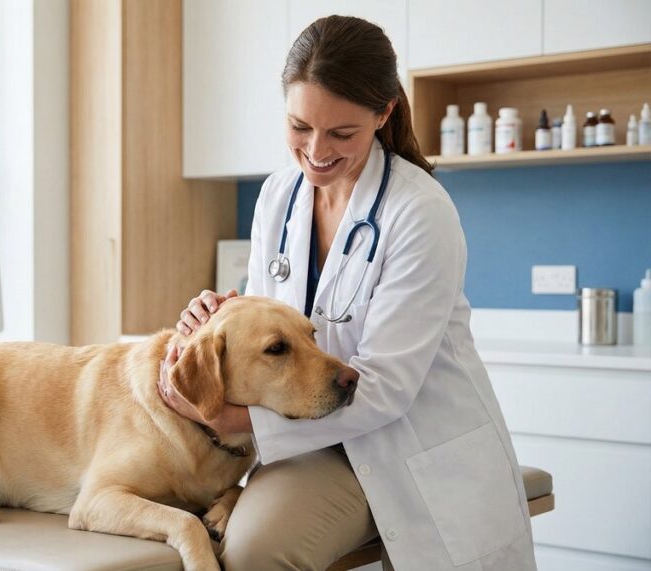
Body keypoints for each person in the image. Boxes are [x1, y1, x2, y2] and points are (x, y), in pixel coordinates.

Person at [157, 15, 538, 571]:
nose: (315, 151)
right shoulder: (278, 196)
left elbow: (384, 389)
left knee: (258, 551)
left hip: (407, 441)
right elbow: (266, 324)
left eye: (341, 134)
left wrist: (237, 421)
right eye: (299, 126)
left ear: (383, 114)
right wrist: (220, 319)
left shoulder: (419, 211)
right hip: (310, 442)